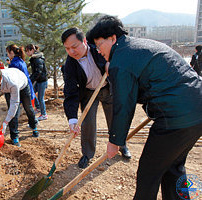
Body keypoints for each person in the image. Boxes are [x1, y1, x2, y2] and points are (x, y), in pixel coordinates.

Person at [86, 15, 202, 200]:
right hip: (197, 110)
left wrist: (115, 141)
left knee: (149, 173)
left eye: (99, 45)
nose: (98, 51)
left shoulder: (121, 61)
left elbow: (124, 104)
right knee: (173, 167)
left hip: (174, 119)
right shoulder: (138, 46)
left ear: (112, 38)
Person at [61, 27, 131, 169]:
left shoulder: (98, 48)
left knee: (115, 119)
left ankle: (121, 145)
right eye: (67, 49)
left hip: (107, 87)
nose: (71, 52)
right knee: (87, 123)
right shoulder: (70, 64)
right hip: (88, 92)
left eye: (74, 47)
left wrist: (110, 64)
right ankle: (87, 154)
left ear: (84, 41)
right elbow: (70, 92)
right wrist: (72, 119)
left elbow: (117, 55)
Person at [0, 63, 39, 147]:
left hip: (22, 83)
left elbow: (14, 104)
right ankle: (14, 136)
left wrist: (5, 122)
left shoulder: (12, 82)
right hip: (7, 89)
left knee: (28, 108)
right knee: (13, 114)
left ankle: (34, 126)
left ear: (0, 79)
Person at [25, 44, 48, 121]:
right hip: (38, 80)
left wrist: (31, 79)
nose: (26, 53)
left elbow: (38, 72)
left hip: (42, 80)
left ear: (32, 50)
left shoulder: (38, 59)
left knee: (40, 98)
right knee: (33, 93)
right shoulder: (34, 58)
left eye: (27, 51)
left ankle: (44, 114)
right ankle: (38, 108)